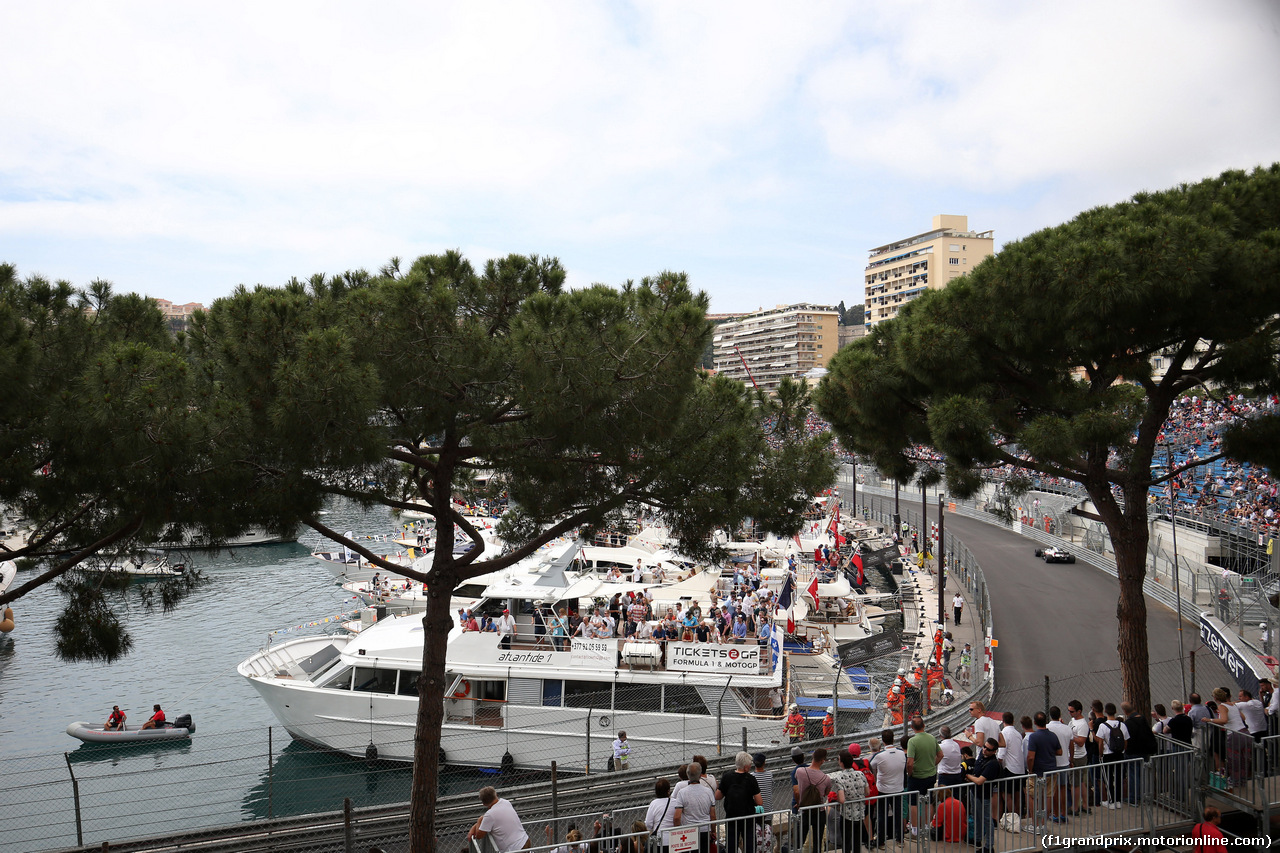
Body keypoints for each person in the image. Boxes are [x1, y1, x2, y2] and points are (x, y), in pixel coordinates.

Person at [717, 751, 763, 853]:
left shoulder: (727, 776)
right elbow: (759, 801)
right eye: (750, 765)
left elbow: (718, 796)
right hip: (748, 817)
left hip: (731, 817)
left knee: (731, 845)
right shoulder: (750, 779)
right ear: (746, 766)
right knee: (749, 845)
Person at [828, 748, 869, 853]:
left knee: (846, 841)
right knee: (857, 841)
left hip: (847, 814)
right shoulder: (861, 774)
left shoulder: (840, 777)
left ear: (841, 763)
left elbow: (842, 799)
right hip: (860, 812)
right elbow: (867, 792)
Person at [964, 739, 1002, 853]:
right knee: (976, 816)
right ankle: (977, 838)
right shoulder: (982, 754)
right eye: (984, 747)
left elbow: (980, 781)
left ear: (994, 751)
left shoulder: (993, 764)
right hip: (975, 792)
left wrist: (967, 776)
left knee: (986, 819)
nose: (984, 750)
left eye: (988, 749)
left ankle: (989, 846)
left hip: (984, 794)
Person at [870, 728, 905, 846]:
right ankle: (900, 839)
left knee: (881, 816)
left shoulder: (879, 756)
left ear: (883, 741)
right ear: (893, 739)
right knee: (898, 814)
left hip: (883, 790)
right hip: (898, 789)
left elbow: (871, 766)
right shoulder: (902, 753)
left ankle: (880, 841)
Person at [905, 716, 940, 835]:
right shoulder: (932, 738)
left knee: (913, 802)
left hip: (917, 776)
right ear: (924, 725)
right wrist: (932, 764)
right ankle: (927, 825)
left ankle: (914, 829)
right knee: (928, 801)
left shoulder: (912, 741)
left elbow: (910, 762)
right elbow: (940, 755)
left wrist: (910, 773)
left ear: (912, 727)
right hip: (930, 774)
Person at [1025, 711, 1062, 823]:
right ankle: (1043, 822)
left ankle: (1035, 822)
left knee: (1030, 795)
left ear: (1035, 722)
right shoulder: (1053, 735)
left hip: (1038, 771)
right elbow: (1059, 752)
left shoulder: (1034, 737)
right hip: (1051, 770)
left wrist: (1030, 770)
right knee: (1048, 795)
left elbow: (1031, 757)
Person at [469, 786, 530, 852]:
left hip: (514, 849)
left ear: (484, 803)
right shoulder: (505, 802)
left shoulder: (489, 815)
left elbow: (479, 835)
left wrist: (479, 820)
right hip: (525, 840)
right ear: (496, 795)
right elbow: (496, 815)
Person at [793, 747, 831, 853]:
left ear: (812, 757)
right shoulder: (826, 778)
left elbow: (797, 789)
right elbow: (825, 793)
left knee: (800, 838)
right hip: (819, 811)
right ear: (823, 761)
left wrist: (799, 802)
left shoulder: (800, 772)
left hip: (805, 810)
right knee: (817, 841)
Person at [672, 762, 716, 853]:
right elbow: (713, 815)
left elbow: (677, 817)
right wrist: (713, 831)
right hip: (705, 830)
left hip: (689, 831)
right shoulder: (708, 792)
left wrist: (678, 832)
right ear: (700, 775)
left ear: (688, 775)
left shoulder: (682, 793)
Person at [1096, 703, 1129, 808]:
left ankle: (1111, 801)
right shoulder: (1122, 725)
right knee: (1119, 776)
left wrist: (1100, 754)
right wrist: (1123, 750)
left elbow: (1100, 742)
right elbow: (1126, 740)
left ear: (1105, 712)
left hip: (1107, 754)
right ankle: (1118, 801)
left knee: (1108, 778)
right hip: (1119, 754)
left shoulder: (1103, 726)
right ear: (1115, 712)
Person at [644, 778, 678, 853]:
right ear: (668, 791)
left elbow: (648, 824)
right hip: (675, 839)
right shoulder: (676, 802)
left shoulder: (654, 803)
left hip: (660, 840)